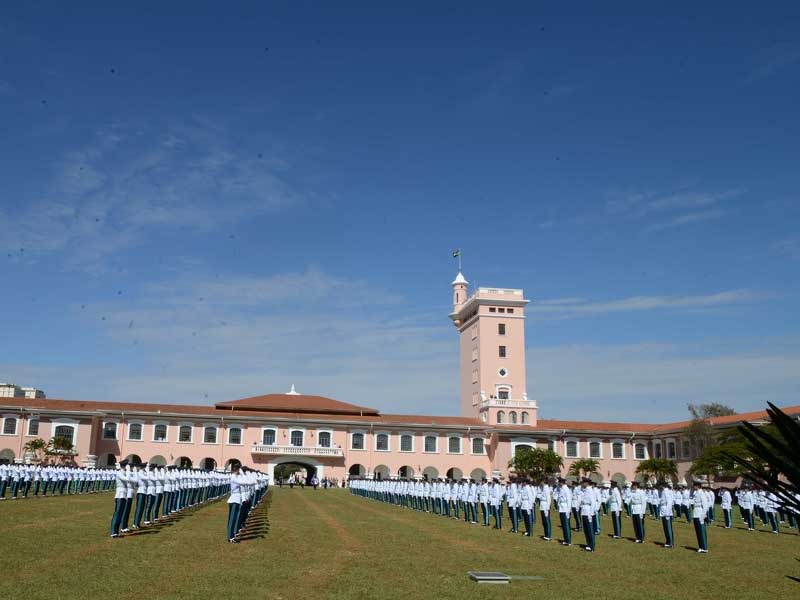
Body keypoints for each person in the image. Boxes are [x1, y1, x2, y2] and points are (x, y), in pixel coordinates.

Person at [691, 481, 710, 553]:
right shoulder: (696, 493)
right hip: (695, 513)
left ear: (697, 486)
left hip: (700, 513)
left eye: (694, 485)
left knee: (702, 531)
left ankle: (704, 547)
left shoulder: (702, 493)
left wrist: (703, 516)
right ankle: (701, 546)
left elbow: (705, 506)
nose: (693, 487)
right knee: (698, 532)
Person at [579, 478, 596, 552]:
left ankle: (592, 546)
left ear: (586, 483)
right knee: (586, 530)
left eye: (583, 482)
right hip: (584, 511)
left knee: (590, 529)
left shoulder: (590, 490)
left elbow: (593, 503)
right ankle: (588, 544)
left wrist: (591, 514)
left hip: (588, 511)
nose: (582, 483)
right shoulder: (585, 490)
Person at [657, 481, 675, 548]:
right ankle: (668, 542)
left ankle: (670, 543)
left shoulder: (666, 491)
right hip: (663, 510)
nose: (659, 487)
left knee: (668, 528)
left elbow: (669, 502)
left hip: (666, 511)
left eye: (659, 486)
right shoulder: (664, 491)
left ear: (662, 485)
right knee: (666, 528)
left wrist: (667, 513)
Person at [556, 477, 572, 546]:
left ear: (561, 482)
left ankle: (568, 541)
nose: (558, 483)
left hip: (565, 509)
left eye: (559, 482)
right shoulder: (562, 489)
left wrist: (568, 511)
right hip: (562, 508)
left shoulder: (566, 489)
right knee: (564, 525)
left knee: (566, 525)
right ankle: (566, 539)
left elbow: (569, 500)